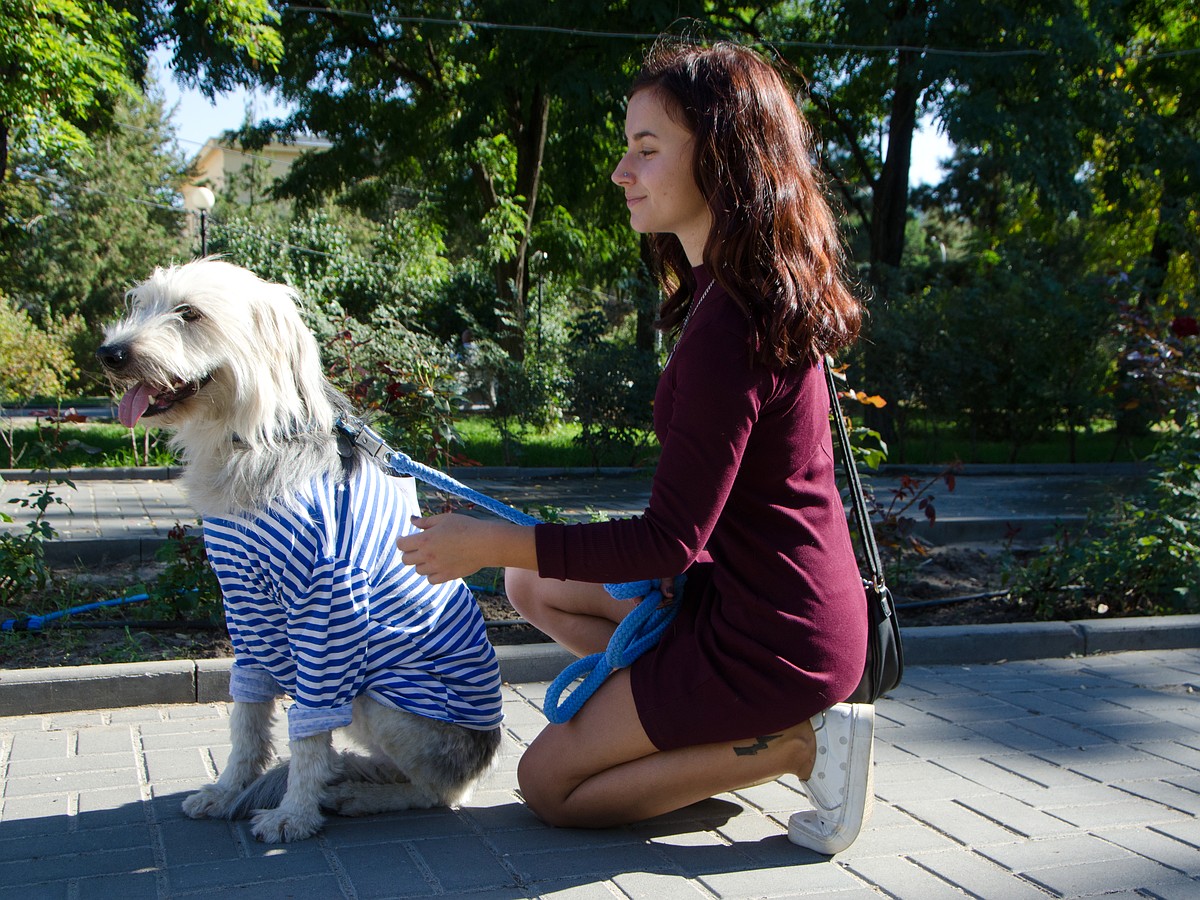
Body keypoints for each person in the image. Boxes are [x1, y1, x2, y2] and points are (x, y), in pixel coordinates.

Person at [396, 40, 873, 854]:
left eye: (647, 150)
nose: (622, 171)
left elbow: (668, 539)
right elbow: (687, 530)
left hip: (773, 641)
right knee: (533, 583)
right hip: (745, 602)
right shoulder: (725, 296)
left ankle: (801, 742)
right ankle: (680, 727)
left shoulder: (731, 326)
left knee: (550, 786)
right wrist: (514, 548)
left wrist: (478, 543)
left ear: (724, 158)